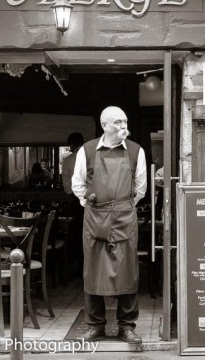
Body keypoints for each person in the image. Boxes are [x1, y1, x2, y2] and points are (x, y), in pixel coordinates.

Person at [72, 106, 146, 344]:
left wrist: (121, 207)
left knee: (128, 272)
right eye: (118, 122)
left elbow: (140, 188)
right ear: (105, 125)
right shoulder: (87, 150)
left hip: (124, 218)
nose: (123, 126)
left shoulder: (136, 151)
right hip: (95, 220)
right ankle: (95, 326)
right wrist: (94, 205)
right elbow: (78, 184)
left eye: (125, 121)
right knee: (93, 271)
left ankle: (127, 326)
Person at [61, 132, 85, 278]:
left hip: (78, 201)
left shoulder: (69, 161)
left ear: (71, 145)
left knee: (77, 235)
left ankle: (77, 265)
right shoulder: (93, 157)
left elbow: (67, 188)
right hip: (96, 202)